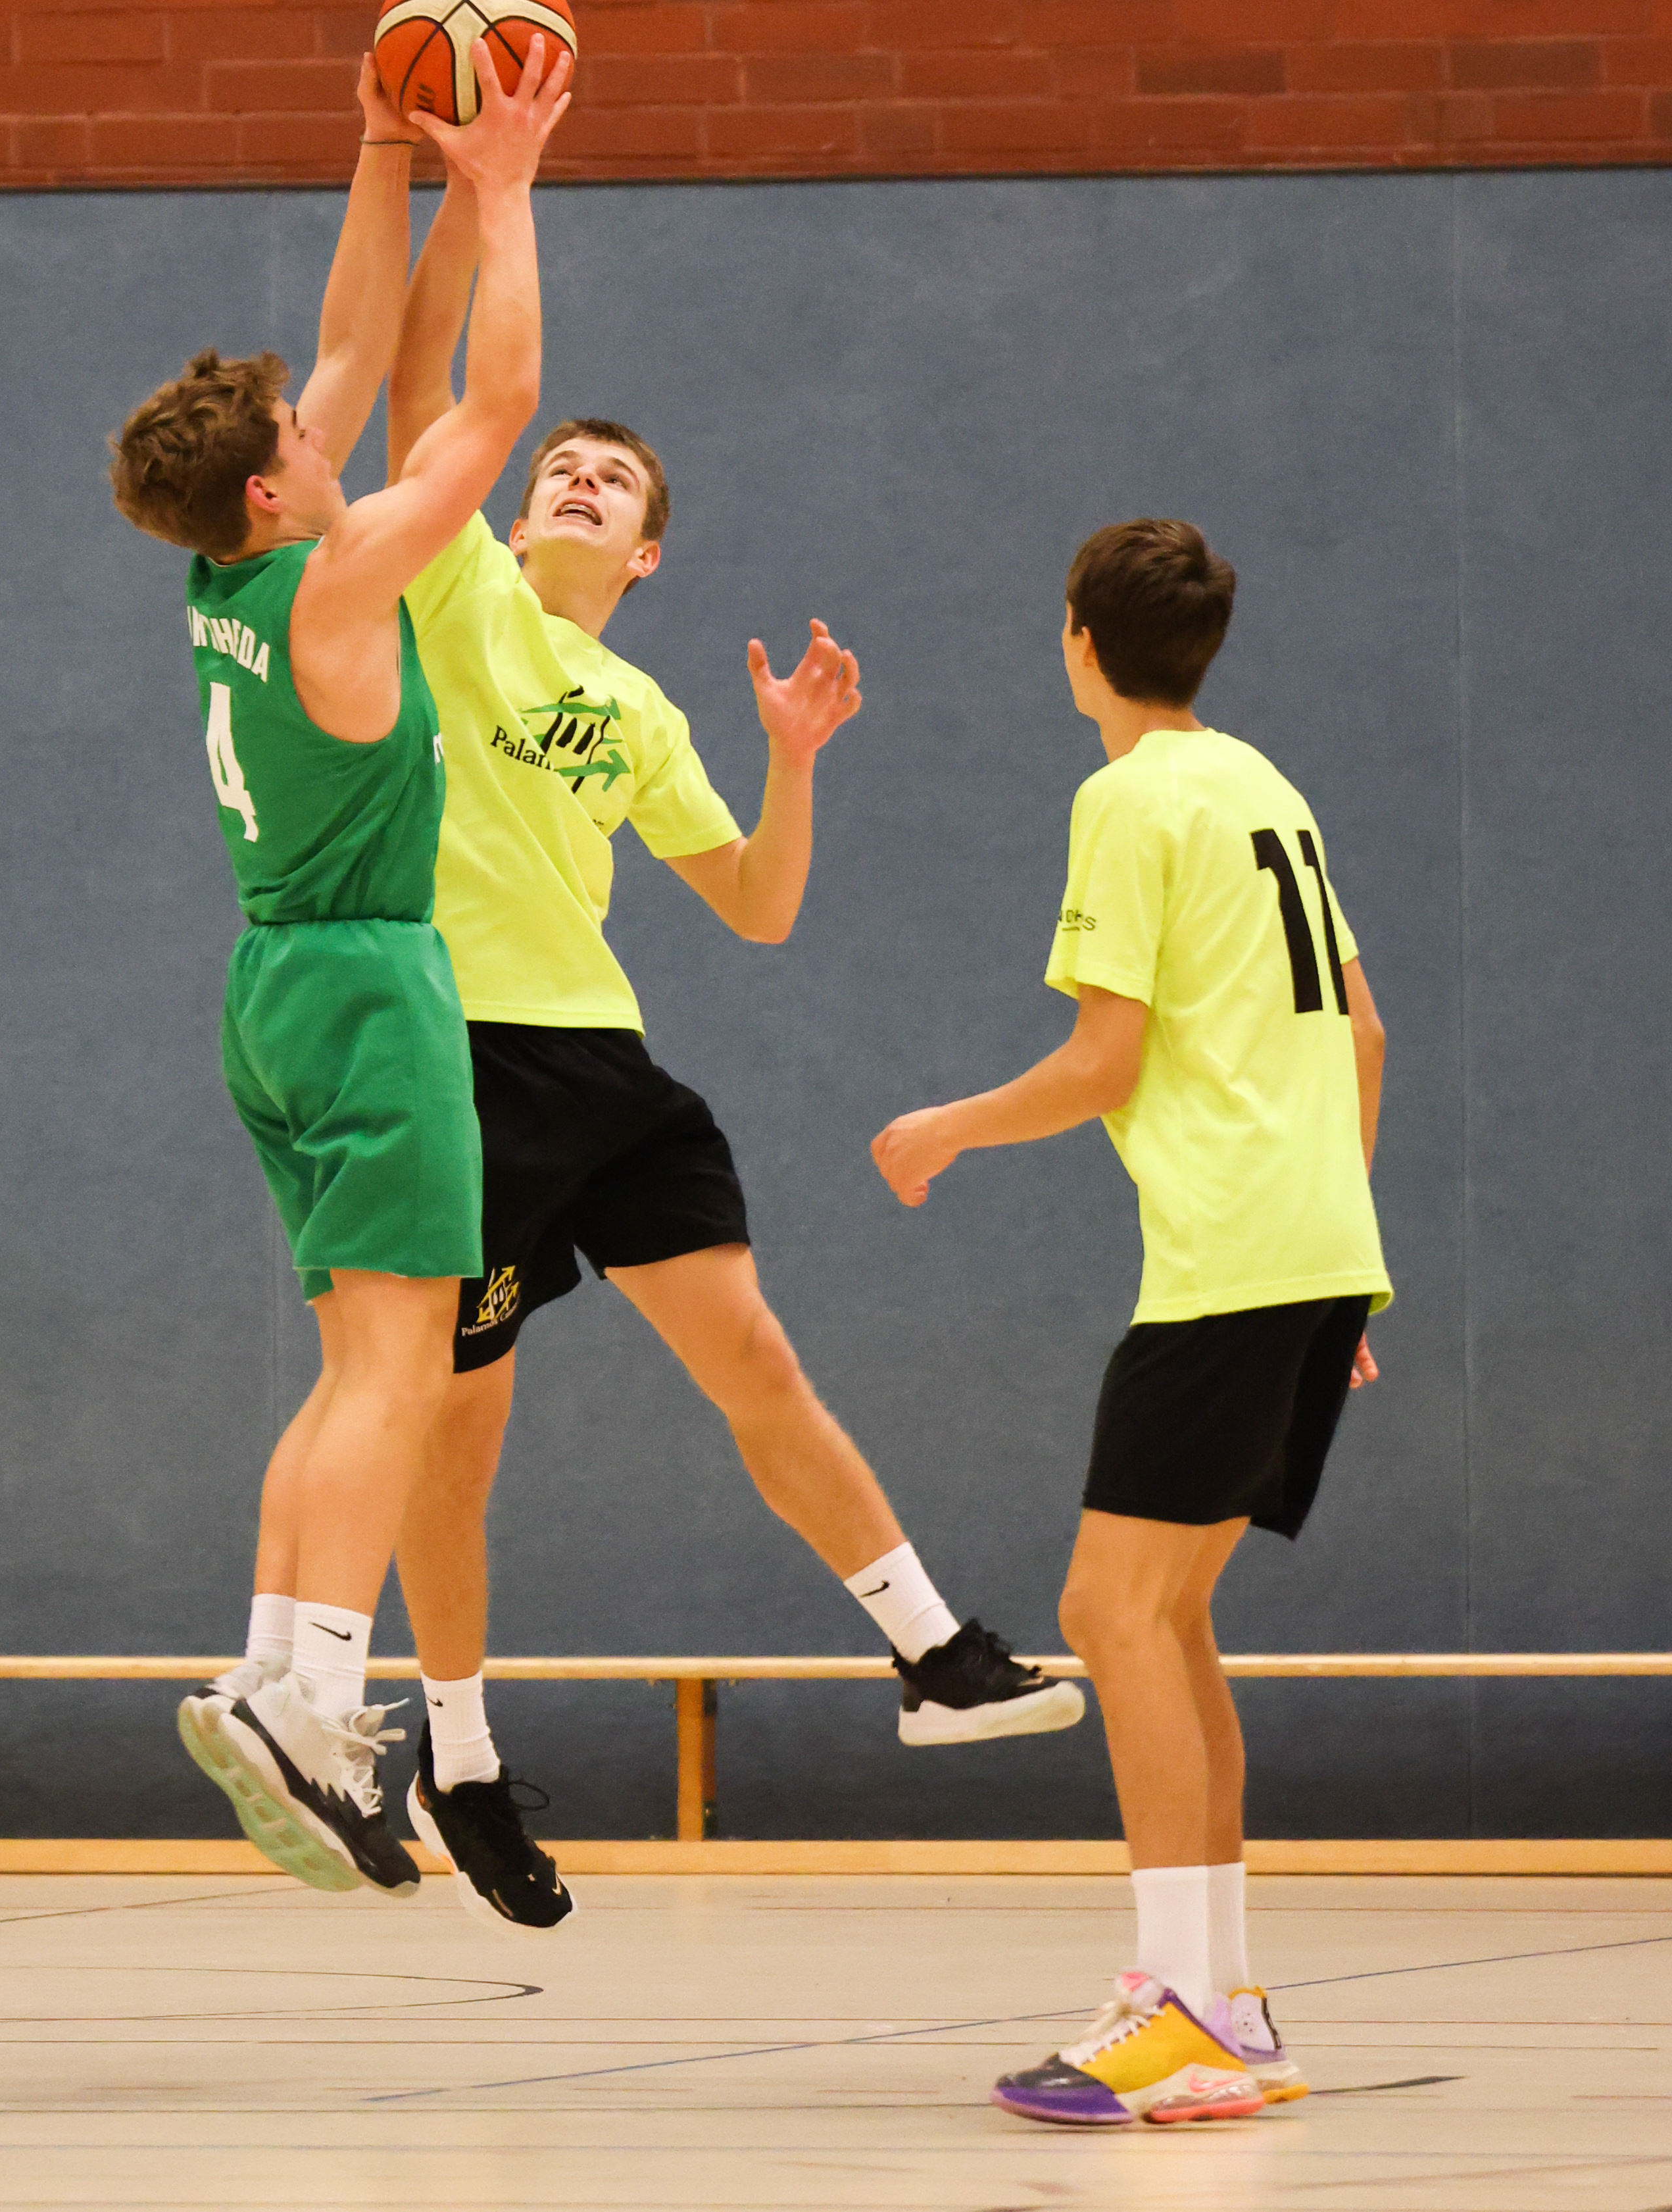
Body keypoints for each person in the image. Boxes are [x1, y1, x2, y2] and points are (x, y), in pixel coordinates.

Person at [203, 183, 1079, 1928]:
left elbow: (756, 905)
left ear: (648, 553)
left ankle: (930, 1647)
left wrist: (794, 760)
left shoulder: (645, 711)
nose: (580, 483)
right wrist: (480, 189)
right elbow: (428, 382)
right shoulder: (450, 584)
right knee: (453, 1443)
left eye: (612, 481)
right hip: (458, 1051)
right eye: (560, 470)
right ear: (515, 514)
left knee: (754, 1352)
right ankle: (458, 1756)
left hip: (608, 1067)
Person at [109, 42, 569, 1896]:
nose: (329, 429)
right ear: (276, 490)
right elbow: (498, 398)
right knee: (404, 1370)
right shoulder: (345, 574)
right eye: (303, 439)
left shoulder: (226, 574)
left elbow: (359, 345)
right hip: (373, 990)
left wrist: (386, 152)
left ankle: (275, 1674)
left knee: (349, 1369)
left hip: (271, 993)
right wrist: (506, 189)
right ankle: (312, 1702)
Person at [870, 517, 1389, 2128]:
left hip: (1231, 1259)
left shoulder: (1129, 798)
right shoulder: (1265, 785)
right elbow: (1364, 1033)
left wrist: (944, 1129)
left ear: (1080, 643)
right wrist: (1338, 1253)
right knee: (1167, 1618)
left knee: (1107, 1610)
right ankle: (1227, 2003)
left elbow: (1105, 1061)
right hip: (1310, 1245)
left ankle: (1180, 2014)